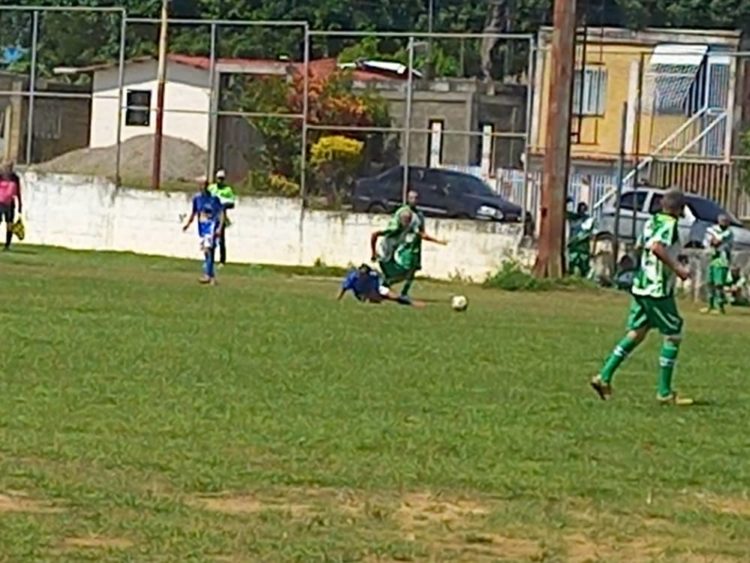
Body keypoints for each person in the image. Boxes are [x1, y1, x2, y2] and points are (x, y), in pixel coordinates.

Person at [590, 188, 693, 406]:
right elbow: (657, 247)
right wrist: (678, 269)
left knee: (637, 333)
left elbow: (641, 246)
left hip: (642, 285)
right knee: (673, 333)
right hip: (657, 289)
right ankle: (664, 392)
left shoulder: (651, 221)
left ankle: (604, 376)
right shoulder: (669, 224)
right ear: (681, 209)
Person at [380, 190, 447, 299]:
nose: (413, 200)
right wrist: (438, 241)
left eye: (415, 198)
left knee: (412, 271)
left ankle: (404, 293)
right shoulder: (402, 212)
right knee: (404, 272)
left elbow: (422, 232)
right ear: (407, 198)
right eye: (411, 198)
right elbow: (395, 226)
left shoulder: (419, 215)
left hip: (416, 247)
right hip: (406, 247)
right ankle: (385, 285)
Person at [183, 181, 225, 285]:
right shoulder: (197, 199)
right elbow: (194, 213)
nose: (202, 187)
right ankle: (212, 277)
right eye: (200, 185)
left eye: (204, 185)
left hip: (211, 228)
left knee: (208, 250)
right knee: (207, 252)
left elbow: (221, 213)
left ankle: (208, 275)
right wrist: (188, 224)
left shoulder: (214, 199)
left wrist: (219, 228)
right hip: (202, 229)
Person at [337, 263, 424, 306]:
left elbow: (380, 283)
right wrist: (338, 299)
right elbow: (344, 287)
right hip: (364, 294)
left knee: (394, 296)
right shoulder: (353, 277)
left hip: (375, 290)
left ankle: (412, 303)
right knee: (377, 301)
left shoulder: (372, 275)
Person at [701, 214, 733, 314]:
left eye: (725, 221)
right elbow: (707, 241)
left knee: (719, 284)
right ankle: (710, 306)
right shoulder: (711, 230)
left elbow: (718, 241)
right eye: (722, 221)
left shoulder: (729, 233)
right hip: (711, 258)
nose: (724, 223)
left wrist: (714, 240)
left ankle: (720, 306)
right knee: (709, 282)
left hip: (722, 261)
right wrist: (711, 240)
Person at [207, 169, 236, 267]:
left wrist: (224, 204)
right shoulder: (211, 188)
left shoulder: (227, 190)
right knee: (210, 238)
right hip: (211, 216)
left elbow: (232, 203)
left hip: (221, 216)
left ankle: (222, 261)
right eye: (219, 178)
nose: (220, 180)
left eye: (222, 179)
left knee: (221, 240)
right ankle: (210, 259)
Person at [567, 201, 595, 277]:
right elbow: (564, 213)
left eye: (583, 209)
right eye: (580, 208)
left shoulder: (588, 219)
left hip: (582, 248)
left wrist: (574, 241)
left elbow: (586, 232)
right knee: (572, 265)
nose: (581, 211)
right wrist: (566, 201)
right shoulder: (574, 218)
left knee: (584, 267)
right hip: (574, 248)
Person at [0, 162, 22, 251]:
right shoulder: (0, 176)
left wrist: (20, 204)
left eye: (10, 167)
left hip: (10, 204)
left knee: (9, 224)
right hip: (0, 202)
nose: (8, 169)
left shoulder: (15, 178)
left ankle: (7, 244)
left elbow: (18, 191)